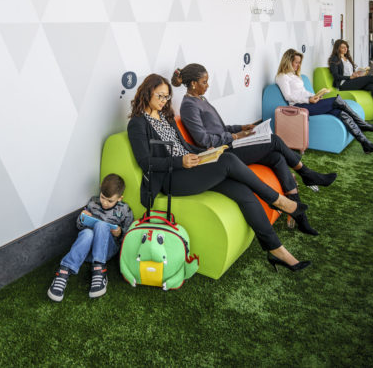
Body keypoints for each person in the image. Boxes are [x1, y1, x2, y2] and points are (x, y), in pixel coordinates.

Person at [128, 74, 312, 273]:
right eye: (160, 96)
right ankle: (278, 201)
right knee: (229, 160)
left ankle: (277, 251)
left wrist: (206, 154)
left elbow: (185, 146)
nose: (164, 101)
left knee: (242, 192)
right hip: (172, 178)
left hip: (191, 168)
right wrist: (179, 161)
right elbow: (145, 162)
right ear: (147, 93)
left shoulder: (166, 117)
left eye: (166, 97)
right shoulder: (137, 124)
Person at [173, 64, 337, 234]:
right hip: (222, 153)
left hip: (229, 143)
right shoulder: (189, 106)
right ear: (193, 84)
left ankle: (300, 218)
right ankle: (307, 174)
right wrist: (236, 136)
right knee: (273, 140)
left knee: (277, 157)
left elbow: (220, 128)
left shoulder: (201, 100)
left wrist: (241, 127)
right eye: (204, 82)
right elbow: (203, 140)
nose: (207, 85)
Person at [275, 49, 373, 154]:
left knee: (340, 113)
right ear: (288, 62)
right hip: (300, 107)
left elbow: (303, 92)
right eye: (296, 62)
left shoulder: (295, 76)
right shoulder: (282, 77)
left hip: (307, 103)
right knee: (337, 100)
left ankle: (366, 144)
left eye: (299, 63)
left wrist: (316, 96)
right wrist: (308, 100)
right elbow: (288, 96)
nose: (298, 65)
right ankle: (363, 124)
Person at [47, 173, 134, 301]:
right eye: (103, 197)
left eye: (110, 201)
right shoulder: (93, 202)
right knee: (88, 233)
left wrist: (120, 233)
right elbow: (79, 226)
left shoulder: (125, 210)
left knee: (102, 226)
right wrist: (82, 218)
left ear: (120, 198)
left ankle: (99, 270)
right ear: (100, 189)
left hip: (106, 251)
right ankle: (64, 271)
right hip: (85, 252)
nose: (105, 203)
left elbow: (129, 237)